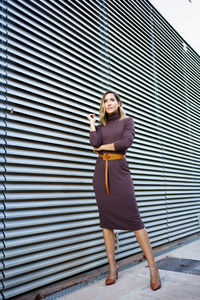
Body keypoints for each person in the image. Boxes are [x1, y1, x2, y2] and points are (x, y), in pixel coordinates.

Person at [87, 91, 161, 291]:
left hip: (120, 173)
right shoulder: (101, 126)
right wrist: (92, 124)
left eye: (112, 100)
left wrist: (103, 146)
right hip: (101, 174)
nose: (108, 103)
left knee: (135, 219)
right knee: (106, 221)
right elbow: (93, 144)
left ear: (119, 103)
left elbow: (125, 143)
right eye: (105, 101)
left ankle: (153, 268)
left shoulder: (127, 121)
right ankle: (113, 268)